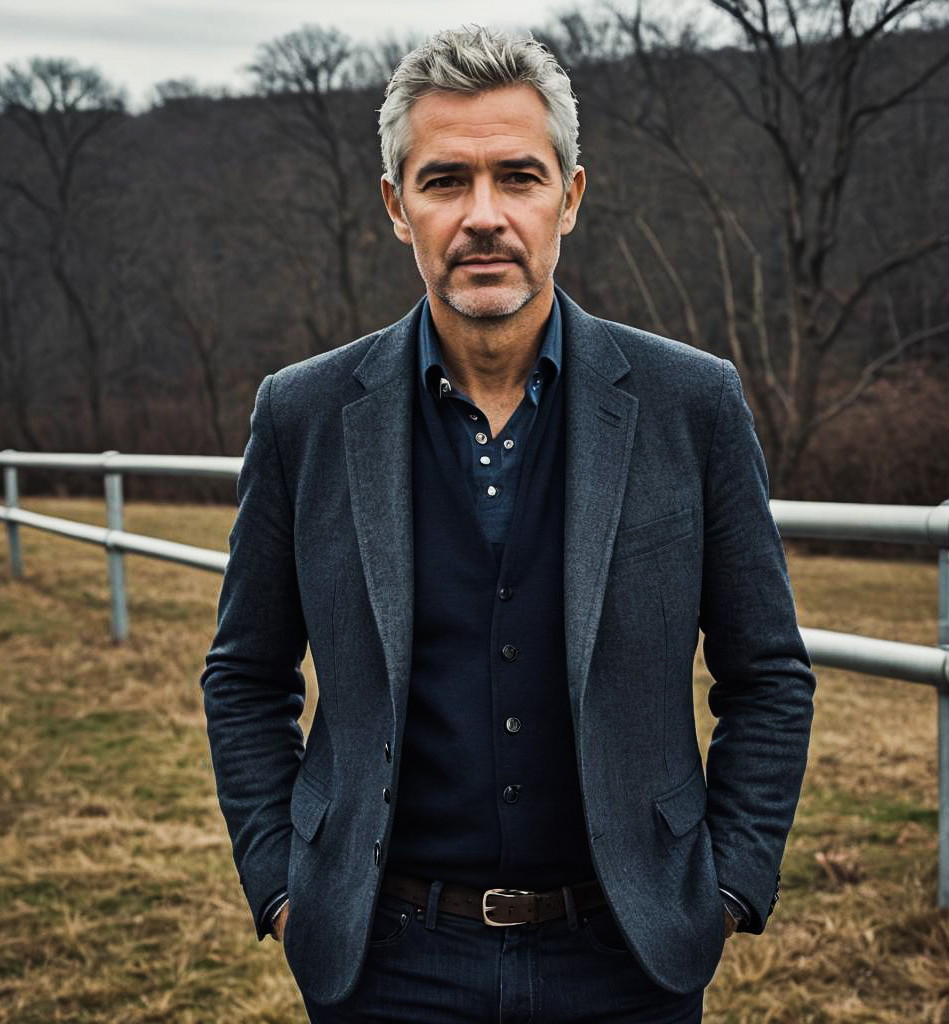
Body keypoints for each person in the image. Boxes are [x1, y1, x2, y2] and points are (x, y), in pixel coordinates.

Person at [201, 25, 815, 1023]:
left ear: (569, 195)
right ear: (399, 207)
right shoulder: (303, 413)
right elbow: (244, 672)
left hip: (627, 958)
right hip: (382, 960)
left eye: (517, 177)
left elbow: (768, 674)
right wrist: (281, 885)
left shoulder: (689, 402)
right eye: (446, 181)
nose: (484, 216)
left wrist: (728, 886)